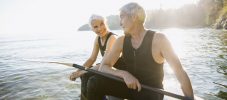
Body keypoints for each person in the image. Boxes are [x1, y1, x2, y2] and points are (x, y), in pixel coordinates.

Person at [86, 2, 194, 100]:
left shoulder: (160, 39)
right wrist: (124, 74)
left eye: (122, 17)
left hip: (151, 92)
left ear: (134, 17)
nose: (120, 23)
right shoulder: (121, 41)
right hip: (129, 87)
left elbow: (179, 72)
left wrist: (190, 98)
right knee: (94, 82)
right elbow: (104, 67)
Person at [69, 14, 124, 100]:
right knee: (84, 74)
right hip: (105, 68)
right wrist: (77, 71)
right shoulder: (98, 39)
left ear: (106, 23)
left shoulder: (112, 38)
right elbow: (92, 59)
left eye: (102, 24)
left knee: (87, 75)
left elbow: (105, 63)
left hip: (115, 70)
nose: (100, 28)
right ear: (92, 29)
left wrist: (82, 72)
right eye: (95, 27)